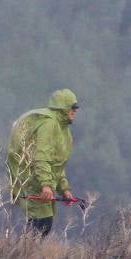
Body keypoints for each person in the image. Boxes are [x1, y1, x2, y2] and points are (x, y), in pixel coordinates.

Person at [6, 89, 80, 237]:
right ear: (63, 108)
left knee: (43, 223)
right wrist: (46, 184)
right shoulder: (49, 124)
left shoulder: (62, 128)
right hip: (33, 178)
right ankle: (23, 255)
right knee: (41, 222)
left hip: (39, 179)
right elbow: (41, 156)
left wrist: (63, 189)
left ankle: (25, 254)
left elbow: (56, 163)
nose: (75, 111)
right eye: (73, 107)